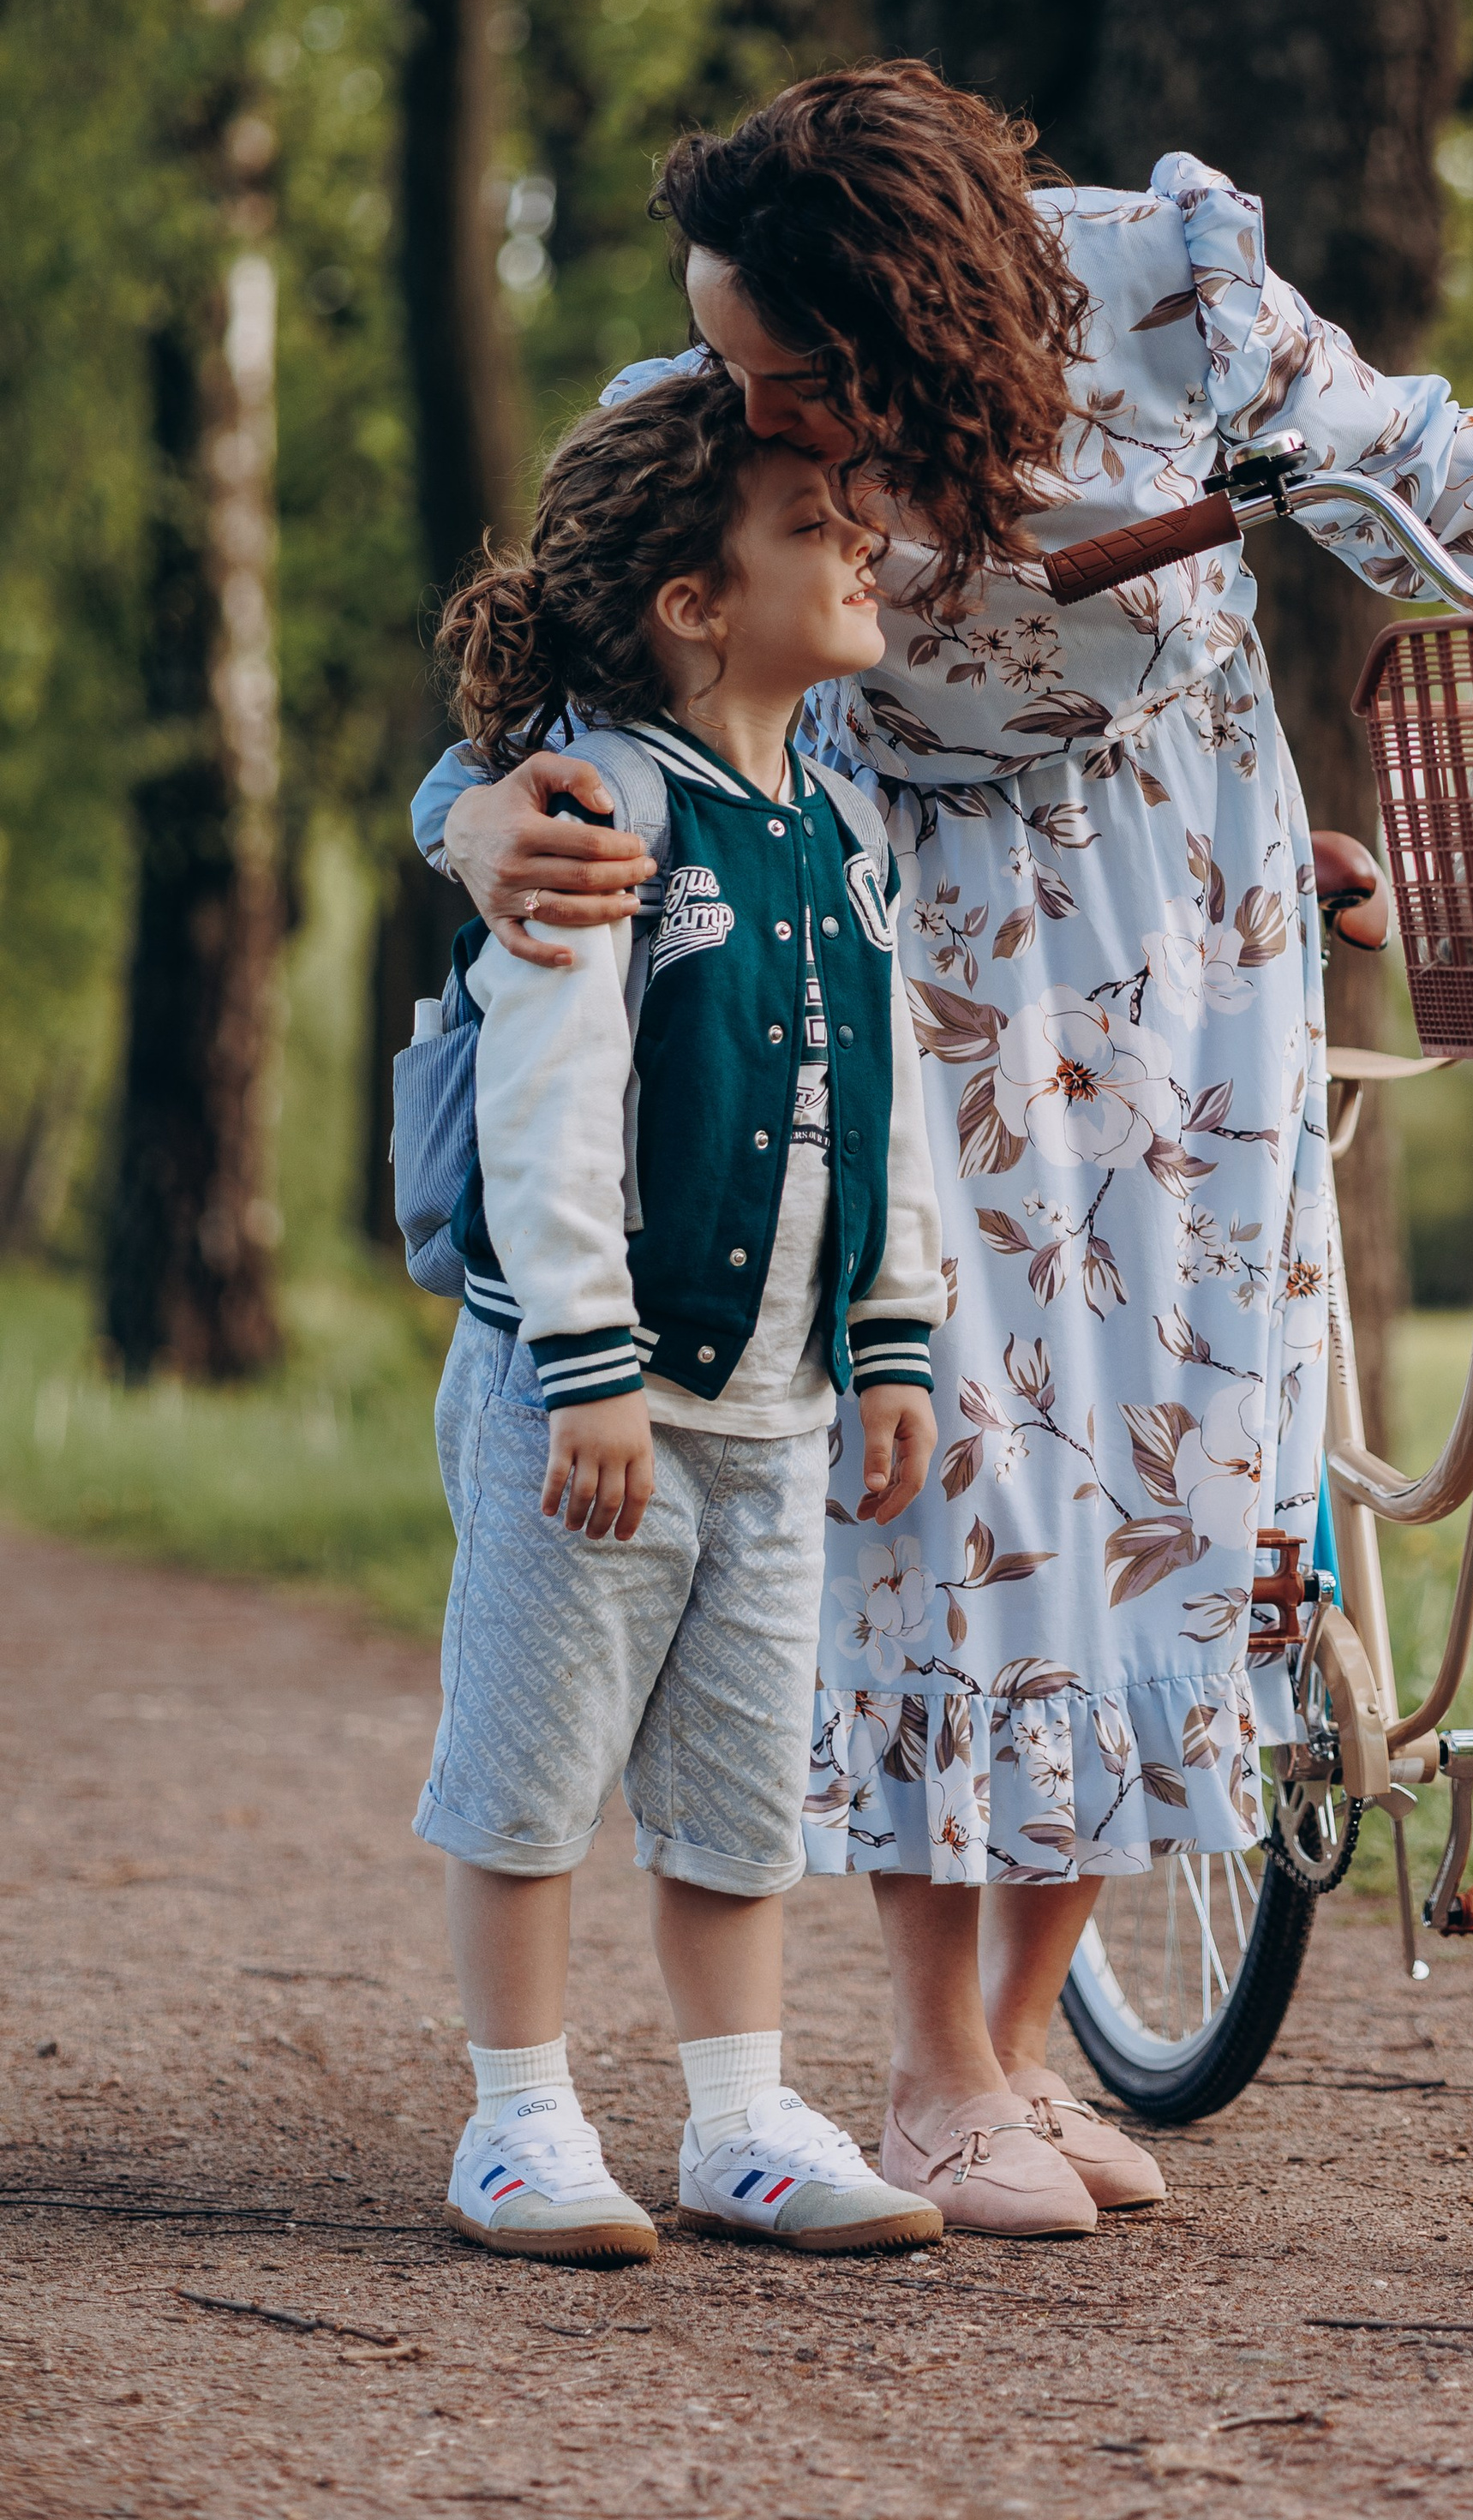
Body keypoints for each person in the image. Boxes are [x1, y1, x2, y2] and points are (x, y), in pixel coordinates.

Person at [416, 62, 1473, 2239]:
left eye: (787, 373)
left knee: (1180, 1473)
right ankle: (931, 2068)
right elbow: (545, 691)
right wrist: (475, 823)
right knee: (971, 1477)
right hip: (908, 919)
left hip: (1184, 908)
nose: (753, 404)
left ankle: (1024, 2040)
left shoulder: (1168, 297)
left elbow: (1444, 473)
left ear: (907, 324)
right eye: (729, 360)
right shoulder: (714, 430)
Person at [418, 370, 950, 2266]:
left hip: (775, 1410)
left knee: (738, 1796)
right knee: (531, 1766)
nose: (862, 545)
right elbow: (544, 1100)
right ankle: (518, 2115)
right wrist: (585, 1364)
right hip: (590, 1407)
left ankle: (739, 2120)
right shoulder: (600, 813)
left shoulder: (846, 826)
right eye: (814, 528)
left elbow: (889, 1100)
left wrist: (892, 1332)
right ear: (695, 602)